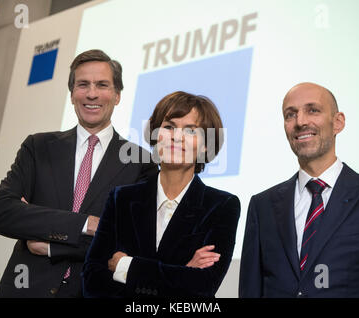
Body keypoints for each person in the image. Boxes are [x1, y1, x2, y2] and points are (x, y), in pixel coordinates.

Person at [0, 49, 158, 297]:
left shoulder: (142, 162)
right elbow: (2, 213)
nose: (91, 93)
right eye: (83, 85)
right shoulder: (37, 147)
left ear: (117, 95)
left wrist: (51, 246)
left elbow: (130, 243)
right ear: (71, 95)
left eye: (102, 85)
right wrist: (87, 224)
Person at [239, 82, 359, 298]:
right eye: (290, 114)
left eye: (312, 110)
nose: (301, 122)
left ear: (338, 122)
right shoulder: (262, 205)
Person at [82, 91, 241, 297]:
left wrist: (126, 266)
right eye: (169, 127)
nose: (176, 137)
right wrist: (182, 271)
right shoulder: (121, 198)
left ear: (205, 146)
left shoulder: (222, 205)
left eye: (191, 131)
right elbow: (92, 282)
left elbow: (203, 286)